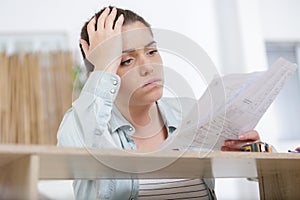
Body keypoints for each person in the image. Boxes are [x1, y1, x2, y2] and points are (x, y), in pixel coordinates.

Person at [57, 6, 261, 200]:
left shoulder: (191, 112)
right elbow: (84, 151)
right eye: (126, 60)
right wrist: (102, 67)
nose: (148, 67)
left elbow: (256, 173)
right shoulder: (76, 125)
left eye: (152, 52)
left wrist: (251, 153)